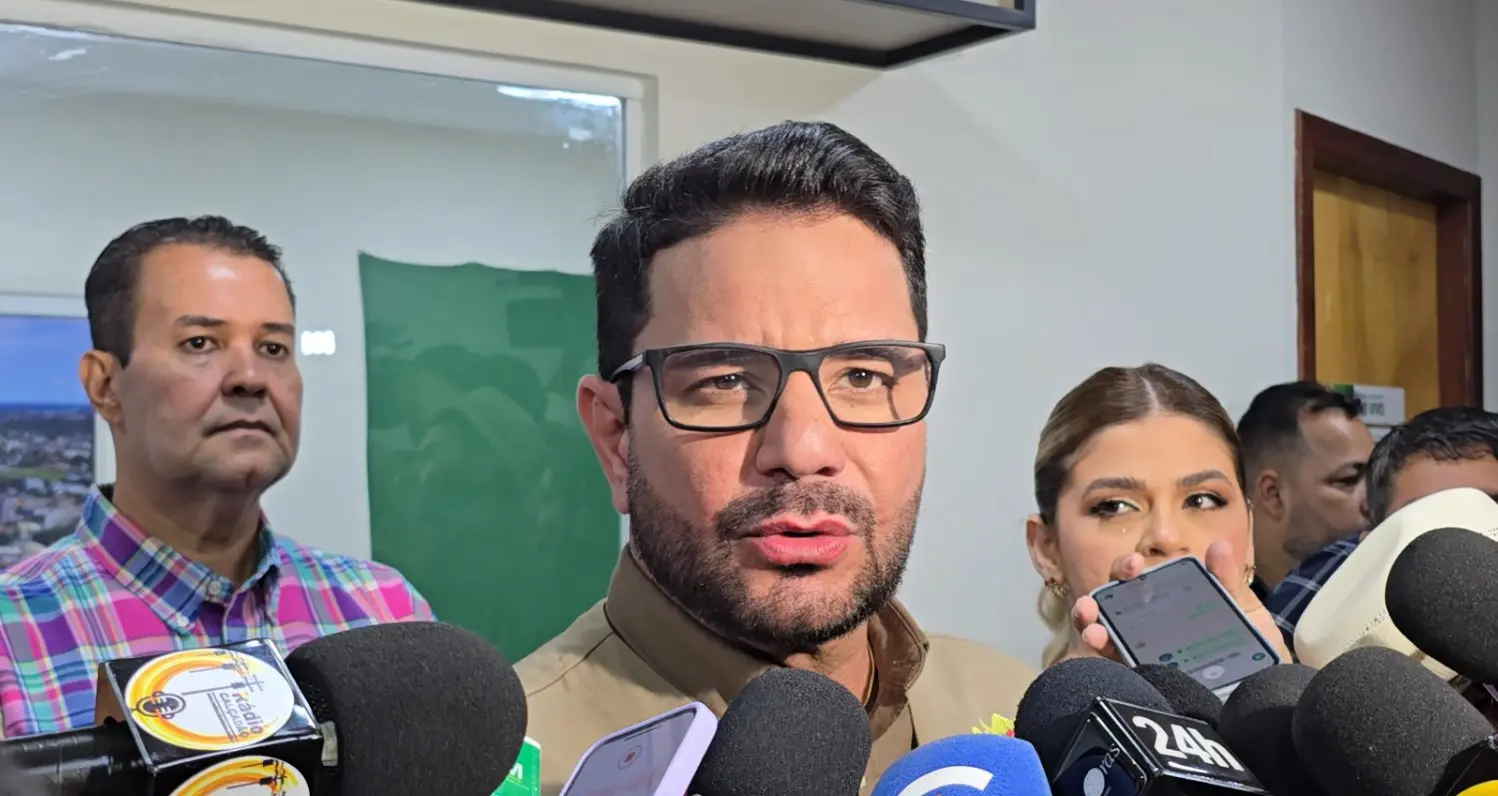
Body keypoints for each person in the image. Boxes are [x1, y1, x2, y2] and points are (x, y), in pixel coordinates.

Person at [516, 122, 1033, 795]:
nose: (804, 451)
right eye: (726, 381)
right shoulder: (503, 770)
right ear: (616, 438)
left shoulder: (1022, 724)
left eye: (863, 376)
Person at [0, 217, 432, 738]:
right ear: (105, 385)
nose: (251, 378)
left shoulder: (383, 611)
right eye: (200, 342)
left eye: (273, 348)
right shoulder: (11, 638)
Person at [1025, 363, 1291, 668]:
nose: (1166, 537)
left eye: (1202, 500)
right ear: (1047, 550)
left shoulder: (1300, 689)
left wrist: (1279, 689)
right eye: (1115, 506)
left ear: (1249, 530)